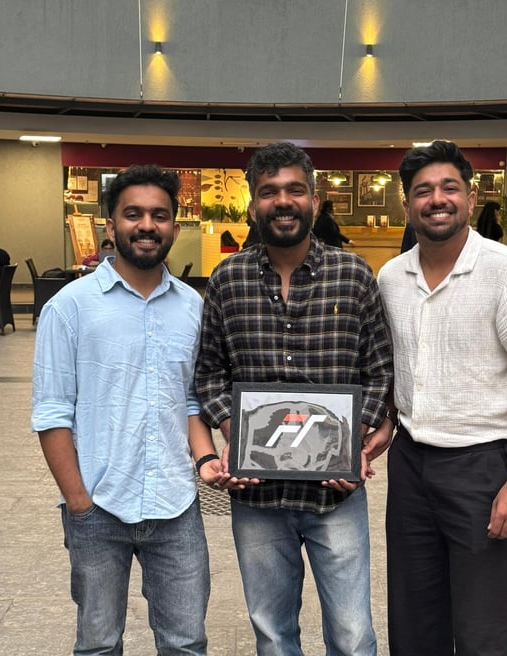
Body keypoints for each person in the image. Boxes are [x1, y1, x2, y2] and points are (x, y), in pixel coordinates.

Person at [195, 142, 394, 656]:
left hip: (335, 495)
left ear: (314, 199)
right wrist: (234, 431)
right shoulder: (227, 281)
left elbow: (379, 372)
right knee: (273, 634)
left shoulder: (353, 276)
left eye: (294, 190)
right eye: (269, 192)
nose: (282, 202)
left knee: (353, 636)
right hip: (257, 497)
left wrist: (352, 443)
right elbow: (209, 373)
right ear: (253, 205)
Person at [31, 164, 229, 655]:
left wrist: (205, 458)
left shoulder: (193, 308)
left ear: (174, 228)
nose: (147, 226)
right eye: (133, 214)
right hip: (98, 505)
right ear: (111, 225)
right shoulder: (70, 308)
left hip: (176, 506)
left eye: (159, 216)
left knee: (186, 643)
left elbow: (189, 398)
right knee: (98, 645)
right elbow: (52, 413)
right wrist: (78, 503)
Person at [377, 141, 507, 656]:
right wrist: (385, 422)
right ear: (406, 204)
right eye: (423, 191)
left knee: (482, 629)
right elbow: (394, 367)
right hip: (410, 465)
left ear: (471, 197)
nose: (437, 199)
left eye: (449, 187)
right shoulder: (391, 278)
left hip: (481, 468)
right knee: (413, 621)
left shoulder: (506, 271)